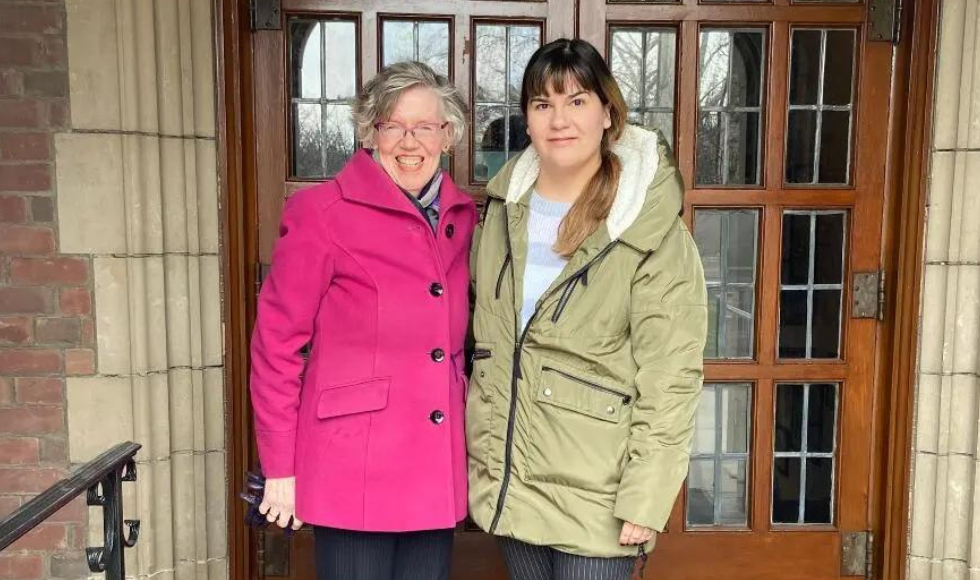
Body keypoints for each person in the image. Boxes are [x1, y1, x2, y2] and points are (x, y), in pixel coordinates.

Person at [466, 38, 708, 580]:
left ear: (607, 113)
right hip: (513, 481)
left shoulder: (647, 227)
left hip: (599, 496)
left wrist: (647, 496)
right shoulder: (502, 213)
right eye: (542, 104)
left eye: (576, 101)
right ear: (526, 119)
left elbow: (671, 374)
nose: (559, 120)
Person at [249, 61, 476, 580]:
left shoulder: (460, 216)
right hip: (354, 468)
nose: (409, 140)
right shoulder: (322, 213)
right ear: (371, 132)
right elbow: (276, 345)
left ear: (448, 136)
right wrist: (280, 466)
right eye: (393, 125)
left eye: (425, 126)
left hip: (433, 464)